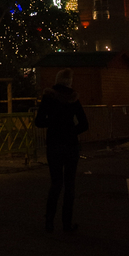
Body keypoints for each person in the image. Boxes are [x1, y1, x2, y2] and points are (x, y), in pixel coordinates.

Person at [35, 68, 89, 234]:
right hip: (70, 145)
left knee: (56, 183)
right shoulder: (73, 98)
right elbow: (84, 123)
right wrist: (71, 131)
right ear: (69, 81)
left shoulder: (48, 98)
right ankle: (67, 223)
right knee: (70, 185)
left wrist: (52, 124)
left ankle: (49, 222)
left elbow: (39, 121)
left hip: (54, 144)